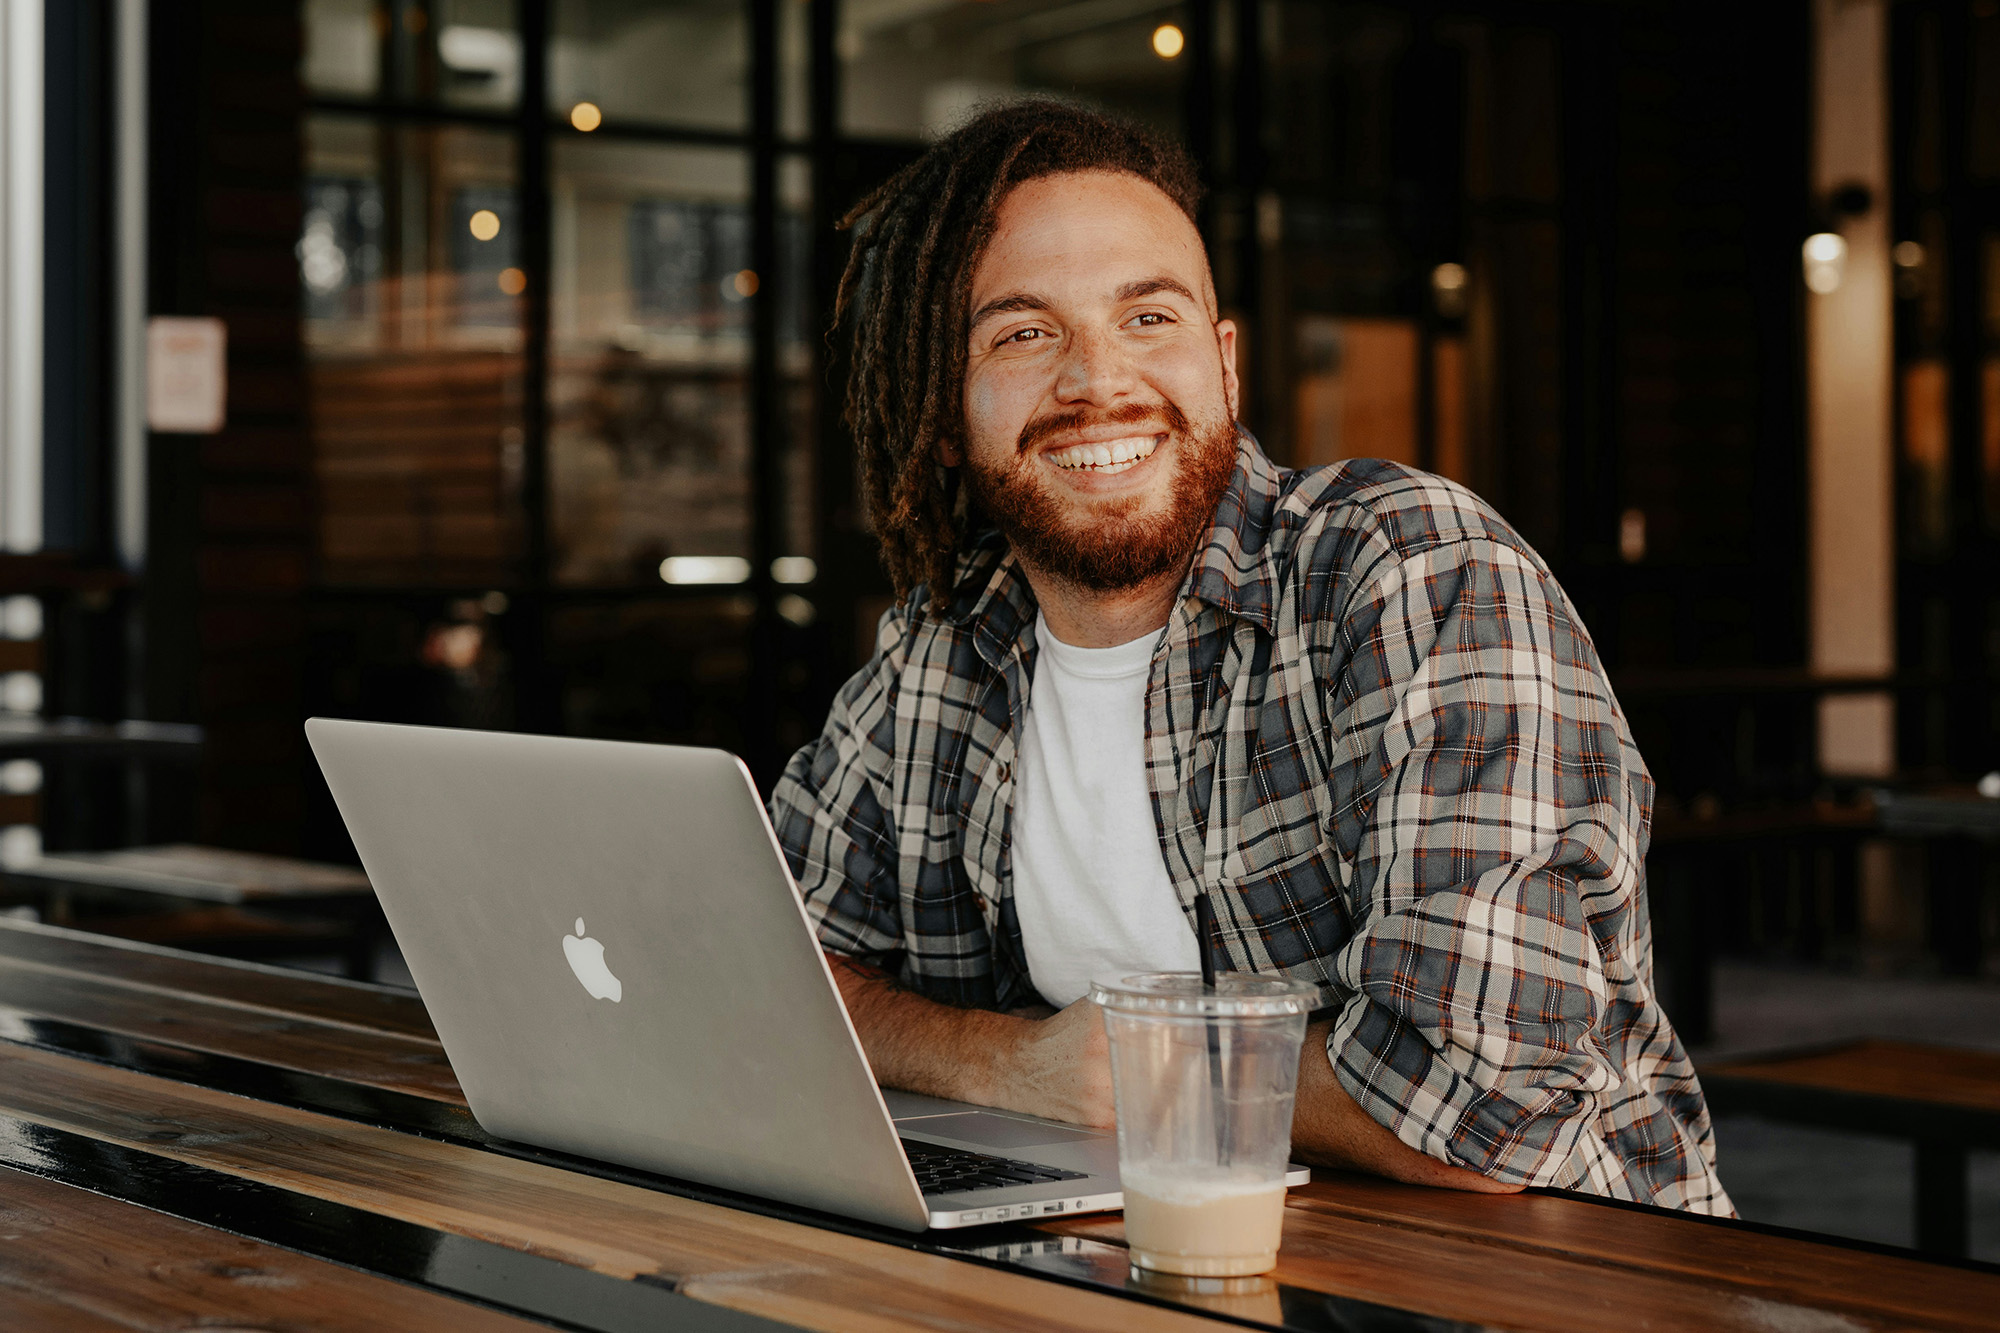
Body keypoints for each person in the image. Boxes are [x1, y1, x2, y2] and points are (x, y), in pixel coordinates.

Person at [770, 99, 1730, 1213]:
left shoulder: (1404, 568)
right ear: (944, 408)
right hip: (1159, 1262)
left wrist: (1136, 1070)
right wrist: (999, 1064)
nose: (1097, 381)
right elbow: (770, 960)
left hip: (1544, 1276)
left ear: (1223, 364)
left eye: (1148, 318)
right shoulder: (944, 650)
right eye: (1022, 332)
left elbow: (1482, 1108)